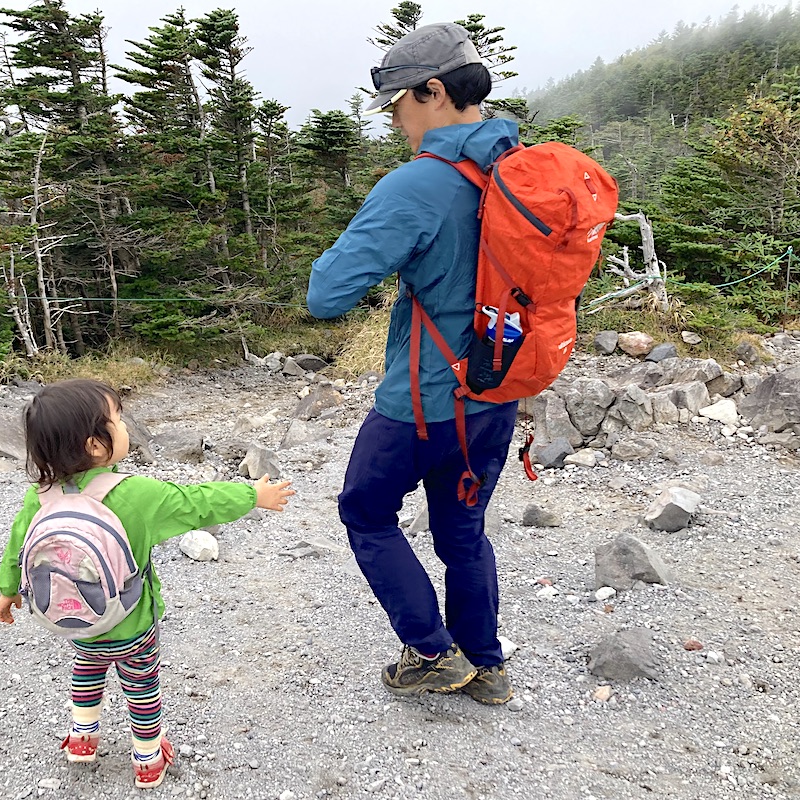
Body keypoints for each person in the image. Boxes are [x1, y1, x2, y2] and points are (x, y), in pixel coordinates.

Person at [307, 23, 519, 705]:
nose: (394, 118)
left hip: (422, 403)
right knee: (463, 530)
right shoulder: (518, 168)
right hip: (495, 395)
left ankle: (430, 651)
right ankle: (485, 666)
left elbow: (326, 294)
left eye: (397, 102)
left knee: (365, 510)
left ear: (433, 91)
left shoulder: (417, 185)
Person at [0, 379, 294, 789]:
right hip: (131, 622)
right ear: (94, 445)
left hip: (75, 620)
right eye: (117, 420)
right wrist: (251, 495)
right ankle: (148, 757)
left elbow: (17, 547)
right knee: (141, 687)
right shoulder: (135, 494)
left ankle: (82, 740)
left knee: (87, 669)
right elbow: (197, 503)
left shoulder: (41, 496)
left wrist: (8, 590)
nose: (125, 426)